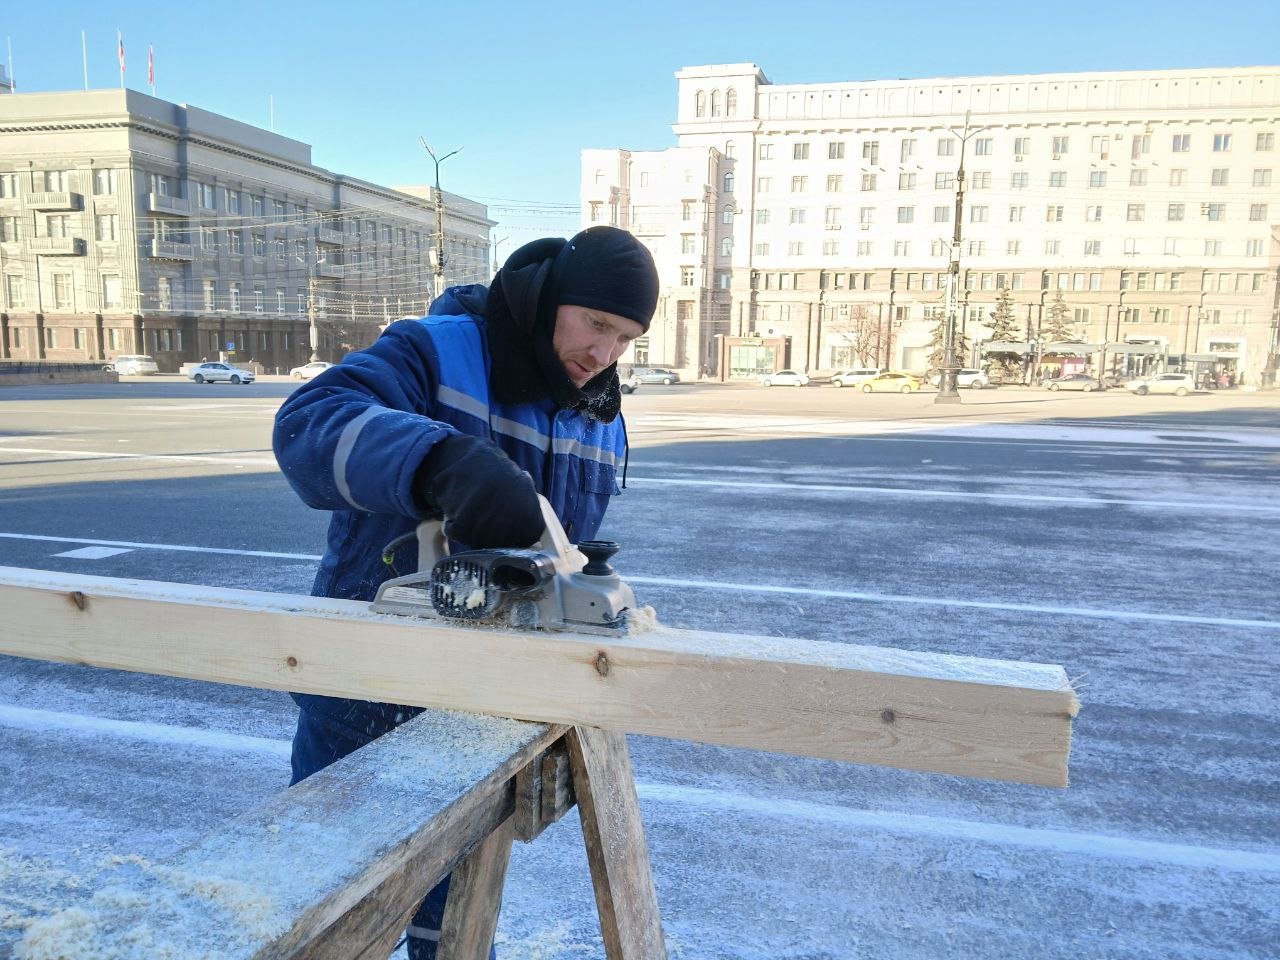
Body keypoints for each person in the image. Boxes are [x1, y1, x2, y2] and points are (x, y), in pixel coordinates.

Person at [271, 226, 658, 959]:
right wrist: (440, 462)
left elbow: (560, 559)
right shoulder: (439, 350)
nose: (604, 354)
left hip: (481, 703)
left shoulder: (596, 413)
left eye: (625, 339)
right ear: (547, 301)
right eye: (597, 324)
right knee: (327, 901)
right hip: (369, 677)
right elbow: (307, 427)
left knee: (446, 912)